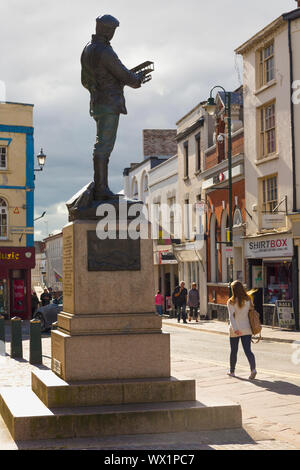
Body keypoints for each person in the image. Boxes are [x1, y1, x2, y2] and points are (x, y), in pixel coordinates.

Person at [81, 15, 148, 200]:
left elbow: (84, 80)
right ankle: (101, 188)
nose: (112, 34)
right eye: (112, 30)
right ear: (106, 30)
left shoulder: (87, 49)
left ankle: (101, 186)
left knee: (101, 144)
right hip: (109, 104)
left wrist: (98, 88)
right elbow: (123, 74)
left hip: (97, 103)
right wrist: (137, 78)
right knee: (104, 146)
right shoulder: (105, 51)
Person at [227, 280, 257, 380]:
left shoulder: (231, 301)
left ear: (233, 290)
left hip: (235, 329)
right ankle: (253, 369)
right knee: (248, 350)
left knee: (234, 351)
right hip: (246, 328)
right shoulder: (248, 299)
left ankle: (232, 371)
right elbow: (250, 312)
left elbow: (231, 317)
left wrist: (235, 329)